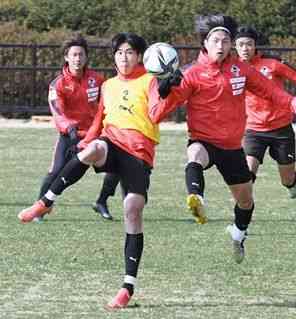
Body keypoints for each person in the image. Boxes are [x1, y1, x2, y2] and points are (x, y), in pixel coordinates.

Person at [18, 32, 161, 309]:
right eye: (119, 52)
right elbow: (99, 119)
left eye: (130, 52)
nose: (124, 57)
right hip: (111, 141)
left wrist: (168, 92)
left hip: (139, 152)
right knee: (93, 149)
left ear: (140, 56)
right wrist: (83, 140)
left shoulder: (151, 81)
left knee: (133, 209)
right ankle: (45, 202)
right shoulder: (108, 85)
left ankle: (127, 287)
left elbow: (157, 112)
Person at [148, 14, 296, 264]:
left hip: (232, 147)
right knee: (194, 155)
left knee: (246, 200)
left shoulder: (241, 70)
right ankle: (196, 198)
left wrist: (292, 102)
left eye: (226, 40)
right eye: (215, 40)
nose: (221, 45)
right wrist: (163, 89)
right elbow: (155, 114)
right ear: (205, 43)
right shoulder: (191, 74)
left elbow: (271, 91)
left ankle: (238, 233)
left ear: (231, 45)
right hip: (204, 140)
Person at [34, 34, 115, 222]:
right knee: (55, 172)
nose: (77, 59)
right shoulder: (58, 84)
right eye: (74, 55)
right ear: (66, 57)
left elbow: (108, 104)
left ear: (86, 57)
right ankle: (40, 207)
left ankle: (101, 201)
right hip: (69, 136)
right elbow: (57, 111)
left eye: (81, 55)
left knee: (117, 166)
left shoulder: (97, 80)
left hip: (95, 135)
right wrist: (68, 127)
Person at [235, 25, 296, 198]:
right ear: (235, 47)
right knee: (247, 173)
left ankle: (292, 185)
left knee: (287, 179)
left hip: (281, 129)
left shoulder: (272, 63)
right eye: (240, 45)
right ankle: (242, 210)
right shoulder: (234, 68)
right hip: (253, 130)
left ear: (255, 45)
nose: (245, 49)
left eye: (249, 44)